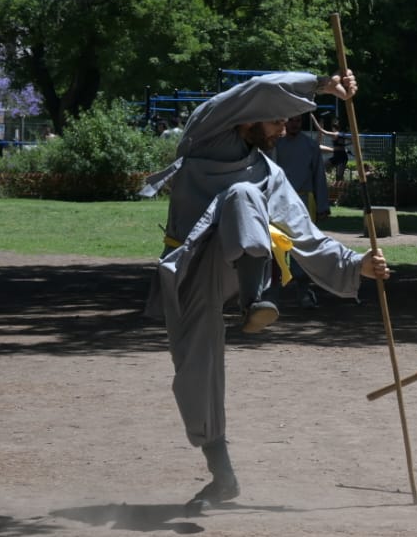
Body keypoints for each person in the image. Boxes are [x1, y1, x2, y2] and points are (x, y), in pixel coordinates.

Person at [142, 70, 389, 508]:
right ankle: (223, 477)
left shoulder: (266, 174)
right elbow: (254, 88)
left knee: (243, 195)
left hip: (239, 266)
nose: (283, 128)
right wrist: (320, 84)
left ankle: (258, 299)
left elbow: (304, 234)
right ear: (247, 117)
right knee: (193, 373)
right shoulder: (202, 136)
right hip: (190, 268)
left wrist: (359, 265)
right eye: (277, 120)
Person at [274, 112, 332, 308]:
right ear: (284, 121)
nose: (294, 124)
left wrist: (323, 205)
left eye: (298, 120)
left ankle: (304, 292)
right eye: (291, 119)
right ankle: (270, 296)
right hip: (278, 203)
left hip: (304, 202)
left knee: (303, 248)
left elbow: (319, 177)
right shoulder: (274, 145)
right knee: (275, 247)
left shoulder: (310, 146)